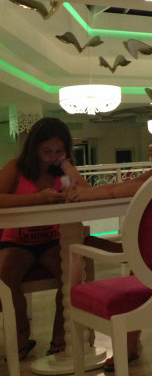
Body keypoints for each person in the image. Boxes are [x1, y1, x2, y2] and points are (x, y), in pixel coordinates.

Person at [66, 125, 152, 371]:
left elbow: (122, 190)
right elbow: (120, 188)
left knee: (134, 264)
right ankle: (130, 343)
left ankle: (128, 345)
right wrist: (87, 191)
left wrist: (85, 195)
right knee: (130, 252)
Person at [0, 117, 86, 360]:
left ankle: (61, 335)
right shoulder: (16, 168)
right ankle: (21, 334)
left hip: (53, 240)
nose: (52, 156)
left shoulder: (63, 172)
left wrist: (66, 165)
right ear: (34, 148)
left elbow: (85, 191)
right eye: (47, 151)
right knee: (5, 278)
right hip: (17, 240)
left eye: (59, 151)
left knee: (70, 275)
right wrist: (36, 198)